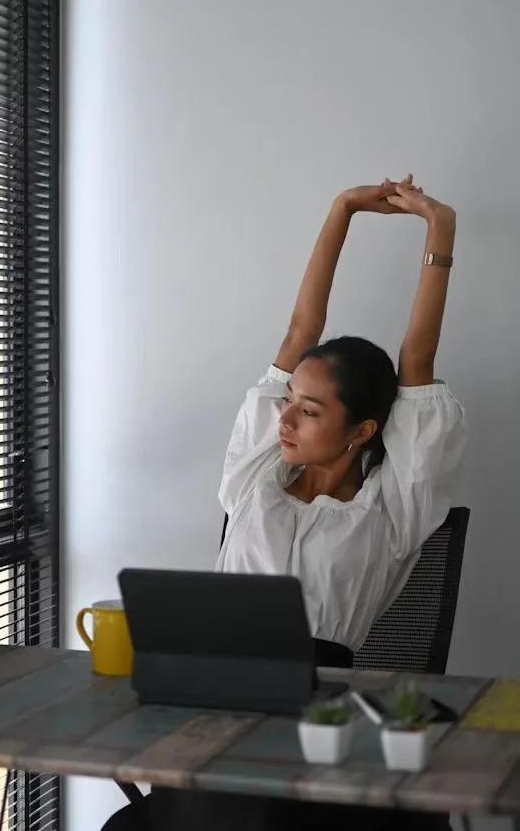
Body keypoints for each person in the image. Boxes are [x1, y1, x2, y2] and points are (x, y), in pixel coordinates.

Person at [103, 176, 468, 831]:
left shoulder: (393, 508)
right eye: (289, 401)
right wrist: (340, 209)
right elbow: (303, 327)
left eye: (309, 410)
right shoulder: (254, 474)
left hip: (316, 716)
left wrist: (438, 228)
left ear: (361, 431)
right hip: (208, 699)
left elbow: (417, 357)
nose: (286, 419)